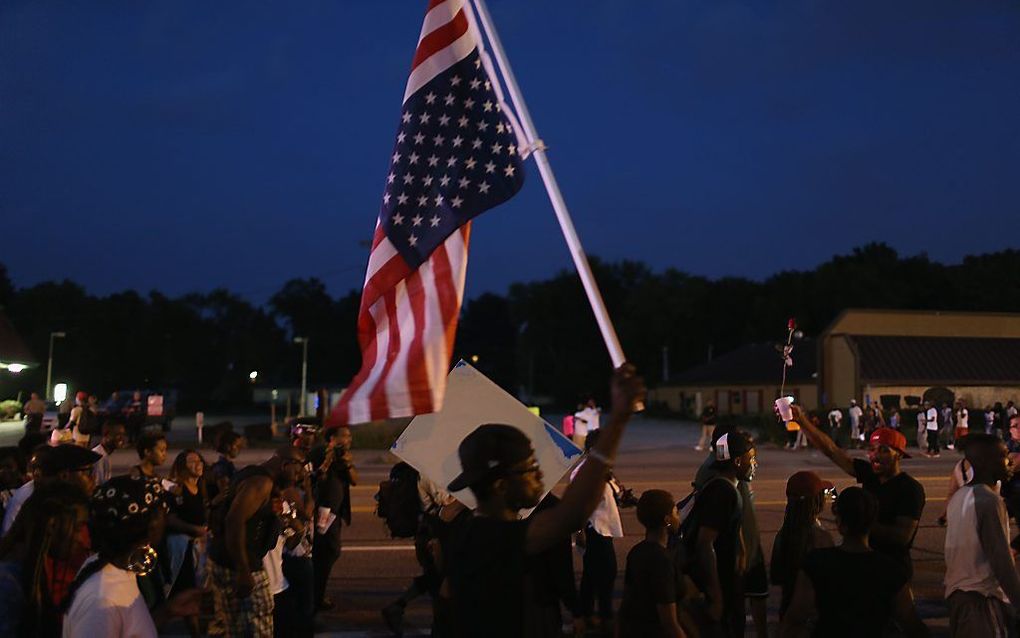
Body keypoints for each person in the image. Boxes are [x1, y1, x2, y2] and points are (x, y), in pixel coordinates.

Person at [444, 364, 644, 638]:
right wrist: (619, 419)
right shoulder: (488, 537)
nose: (540, 474)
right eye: (530, 469)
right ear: (501, 485)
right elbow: (573, 513)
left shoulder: (469, 531)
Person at [791, 405, 925, 578]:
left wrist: (856, 519)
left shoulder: (910, 489)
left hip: (893, 570)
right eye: (873, 449)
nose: (875, 455)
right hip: (864, 563)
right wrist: (801, 421)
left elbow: (902, 537)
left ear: (898, 455)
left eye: (884, 450)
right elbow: (832, 450)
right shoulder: (870, 474)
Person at [61, 475, 203, 637]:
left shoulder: (112, 568)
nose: (166, 520)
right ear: (152, 524)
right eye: (163, 513)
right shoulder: (102, 601)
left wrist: (167, 612)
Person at [781, 487, 928, 637]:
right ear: (873, 522)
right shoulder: (890, 570)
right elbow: (912, 624)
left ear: (840, 523)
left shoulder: (817, 563)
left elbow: (795, 619)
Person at [207, 445, 306, 637]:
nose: (299, 478)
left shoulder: (251, 474)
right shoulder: (261, 483)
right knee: (258, 626)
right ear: (286, 465)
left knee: (233, 628)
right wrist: (244, 571)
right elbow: (234, 521)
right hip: (241, 565)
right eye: (298, 471)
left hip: (224, 560)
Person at [691, 426, 767, 638]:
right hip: (723, 579)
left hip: (730, 575)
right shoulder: (723, 491)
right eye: (750, 460)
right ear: (736, 462)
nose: (755, 465)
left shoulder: (729, 487)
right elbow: (705, 542)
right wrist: (716, 595)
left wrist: (741, 548)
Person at [944, 433, 1020, 636]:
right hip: (982, 601)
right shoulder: (988, 500)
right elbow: (1001, 559)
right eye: (1004, 455)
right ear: (987, 462)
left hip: (958, 598)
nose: (1009, 461)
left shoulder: (960, 496)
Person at [0, 482, 91, 637]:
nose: (81, 539)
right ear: (51, 525)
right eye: (76, 528)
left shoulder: (38, 571)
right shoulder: (7, 584)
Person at [571, 429, 624, 633]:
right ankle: (604, 614)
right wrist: (580, 531)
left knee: (592, 575)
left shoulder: (602, 470)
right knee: (606, 573)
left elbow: (613, 494)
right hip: (595, 529)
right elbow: (579, 504)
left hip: (603, 528)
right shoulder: (586, 472)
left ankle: (588, 613)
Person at [617, 490, 688, 638]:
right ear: (667, 520)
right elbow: (669, 622)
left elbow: (626, 603)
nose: (678, 518)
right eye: (675, 513)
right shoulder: (662, 560)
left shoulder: (637, 552)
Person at [770, 471, 835, 619]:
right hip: (814, 614)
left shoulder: (784, 534)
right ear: (817, 501)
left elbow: (776, 575)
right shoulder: (821, 537)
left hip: (787, 608)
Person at [309, 425, 357, 612]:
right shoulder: (321, 452)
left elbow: (354, 480)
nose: (349, 439)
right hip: (323, 510)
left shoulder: (343, 457)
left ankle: (316, 595)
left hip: (334, 512)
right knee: (327, 552)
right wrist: (329, 458)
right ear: (332, 437)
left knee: (327, 552)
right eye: (344, 435)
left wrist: (347, 462)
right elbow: (317, 476)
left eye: (350, 436)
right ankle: (315, 597)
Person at [2, 444, 100, 535]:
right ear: (64, 475)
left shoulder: (78, 502)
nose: (94, 478)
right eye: (88, 472)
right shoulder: (29, 501)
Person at [165, 450, 209, 638]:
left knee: (197, 590)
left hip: (199, 546)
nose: (197, 464)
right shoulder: (178, 489)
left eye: (199, 460)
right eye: (191, 461)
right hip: (182, 547)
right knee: (185, 590)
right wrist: (194, 529)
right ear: (182, 466)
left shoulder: (202, 487)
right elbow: (170, 519)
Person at [208, 430, 244, 505]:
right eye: (237, 445)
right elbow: (225, 493)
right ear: (228, 446)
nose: (240, 449)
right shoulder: (222, 467)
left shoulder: (227, 465)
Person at [91, 422, 127, 487]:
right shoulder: (98, 456)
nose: (122, 438)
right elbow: (99, 485)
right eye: (118, 434)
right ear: (107, 436)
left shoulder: (105, 454)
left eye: (123, 434)